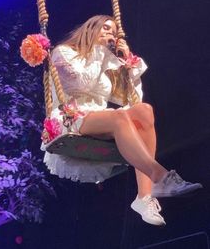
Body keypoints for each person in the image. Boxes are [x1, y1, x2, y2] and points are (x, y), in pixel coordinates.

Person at [42, 15, 202, 226]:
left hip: (98, 117)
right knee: (119, 117)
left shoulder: (106, 62)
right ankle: (159, 175)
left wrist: (127, 64)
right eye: (106, 28)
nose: (111, 34)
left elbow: (128, 98)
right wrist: (101, 55)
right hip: (70, 117)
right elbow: (79, 80)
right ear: (91, 28)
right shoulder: (64, 52)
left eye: (114, 32)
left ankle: (144, 197)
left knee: (144, 111)